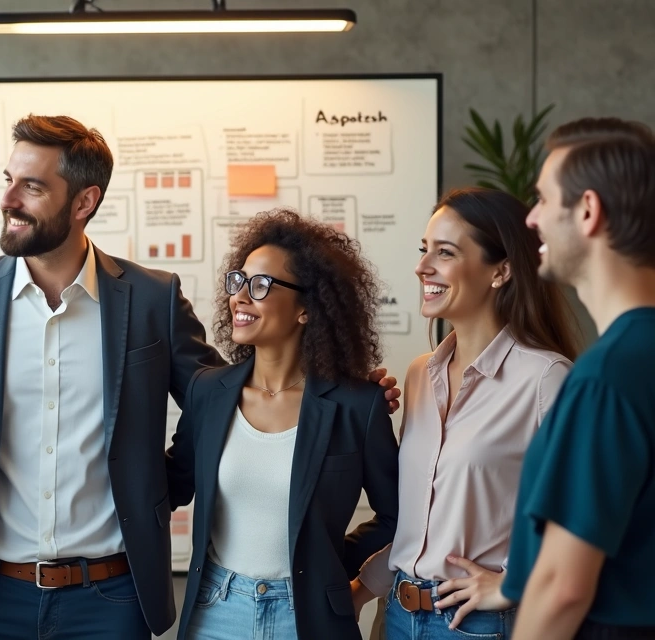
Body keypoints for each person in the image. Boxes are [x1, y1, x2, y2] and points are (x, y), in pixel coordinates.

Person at [0, 115, 402, 638]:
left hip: (111, 598)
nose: (8, 199)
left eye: (31, 186)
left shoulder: (151, 300)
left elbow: (224, 402)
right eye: (8, 180)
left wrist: (336, 388)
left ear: (83, 202)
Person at [351, 187, 579, 640]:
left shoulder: (546, 378)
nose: (422, 266)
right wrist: (360, 588)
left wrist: (512, 581)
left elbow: (580, 513)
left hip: (475, 625)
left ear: (501, 271)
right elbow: (422, 522)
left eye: (445, 252)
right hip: (396, 614)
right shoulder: (419, 375)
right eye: (424, 250)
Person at [168, 209, 399, 640]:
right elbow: (172, 485)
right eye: (238, 282)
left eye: (260, 286)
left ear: (307, 309)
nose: (240, 297)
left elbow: (396, 514)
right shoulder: (207, 392)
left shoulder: (358, 405)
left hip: (308, 614)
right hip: (217, 610)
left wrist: (326, 565)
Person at [503, 117, 655, 640]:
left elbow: (563, 586)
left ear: (588, 211)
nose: (531, 219)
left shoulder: (608, 376)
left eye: (543, 199)